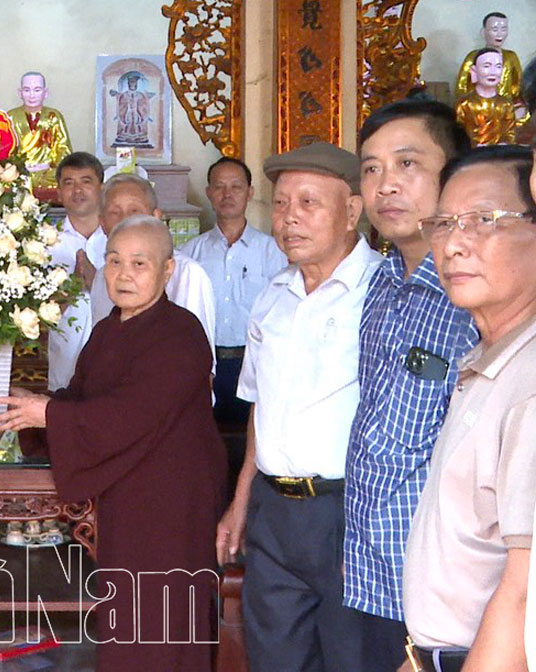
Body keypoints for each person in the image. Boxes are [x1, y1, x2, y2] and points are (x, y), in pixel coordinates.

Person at [0, 215, 226, 671]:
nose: (123, 274)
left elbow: (131, 413)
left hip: (172, 503)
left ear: (167, 270)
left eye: (139, 263)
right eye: (114, 261)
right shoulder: (107, 329)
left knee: (166, 620)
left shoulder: (181, 333)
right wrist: (36, 409)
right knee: (128, 619)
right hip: (129, 496)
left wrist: (50, 415)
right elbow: (83, 400)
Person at [215, 142, 382, 672]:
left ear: (352, 211)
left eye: (308, 203)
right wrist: (242, 501)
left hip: (349, 513)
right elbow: (262, 410)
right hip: (275, 514)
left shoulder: (382, 292)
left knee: (352, 658)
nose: (290, 219)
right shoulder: (274, 295)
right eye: (282, 204)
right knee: (276, 658)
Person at [342, 100, 476, 672]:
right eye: (371, 169)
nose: (385, 185)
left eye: (407, 164)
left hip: (446, 593)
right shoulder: (381, 287)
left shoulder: (474, 298)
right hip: (371, 570)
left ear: (455, 179)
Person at [402, 145, 536, 672]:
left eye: (485, 220)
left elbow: (524, 590)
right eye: (444, 223)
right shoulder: (487, 358)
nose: (455, 244)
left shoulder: (529, 384)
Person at [180, 157, 286, 425]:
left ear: (250, 193)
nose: (228, 194)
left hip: (254, 362)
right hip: (205, 366)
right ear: (209, 193)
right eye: (219, 186)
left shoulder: (273, 252)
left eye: (236, 187)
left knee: (254, 438)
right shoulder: (191, 253)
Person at [88, 174, 216, 356]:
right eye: (115, 212)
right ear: (102, 223)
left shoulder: (188, 274)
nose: (126, 220)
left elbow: (202, 364)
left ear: (156, 216)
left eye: (134, 211)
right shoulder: (104, 276)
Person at [47, 152, 105, 391]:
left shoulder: (120, 239)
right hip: (64, 366)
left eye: (86, 181)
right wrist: (69, 289)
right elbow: (34, 314)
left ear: (101, 188)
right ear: (59, 193)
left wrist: (98, 283)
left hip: (116, 366)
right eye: (68, 183)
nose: (77, 190)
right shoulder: (44, 244)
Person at [6, 72, 71, 190]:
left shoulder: (54, 116)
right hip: (18, 173)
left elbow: (63, 149)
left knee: (64, 174)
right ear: (20, 93)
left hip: (46, 173)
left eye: (37, 90)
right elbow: (4, 149)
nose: (32, 95)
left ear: (45, 93)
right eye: (26, 90)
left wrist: (54, 169)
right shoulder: (10, 117)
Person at [455, 48, 528, 147]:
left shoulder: (505, 104)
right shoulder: (465, 103)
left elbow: (509, 133)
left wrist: (504, 143)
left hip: (497, 155)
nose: (493, 72)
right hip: (471, 156)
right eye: (487, 66)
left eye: (498, 66)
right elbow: (458, 134)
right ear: (474, 71)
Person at [455, 12, 525, 101]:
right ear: (483, 32)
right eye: (495, 30)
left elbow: (518, 84)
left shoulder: (511, 57)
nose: (499, 34)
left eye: (503, 29)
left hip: (505, 107)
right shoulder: (473, 57)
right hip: (478, 107)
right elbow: (462, 86)